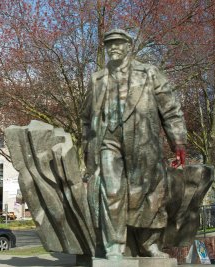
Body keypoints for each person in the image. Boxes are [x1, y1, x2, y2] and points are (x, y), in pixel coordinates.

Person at [81, 29, 187, 260]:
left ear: (129, 46)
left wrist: (178, 141)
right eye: (110, 44)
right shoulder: (97, 79)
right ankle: (114, 247)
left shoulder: (149, 73)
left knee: (150, 194)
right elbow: (86, 118)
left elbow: (170, 109)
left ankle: (150, 244)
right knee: (112, 191)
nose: (114, 47)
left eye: (119, 43)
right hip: (107, 141)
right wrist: (88, 149)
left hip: (143, 142)